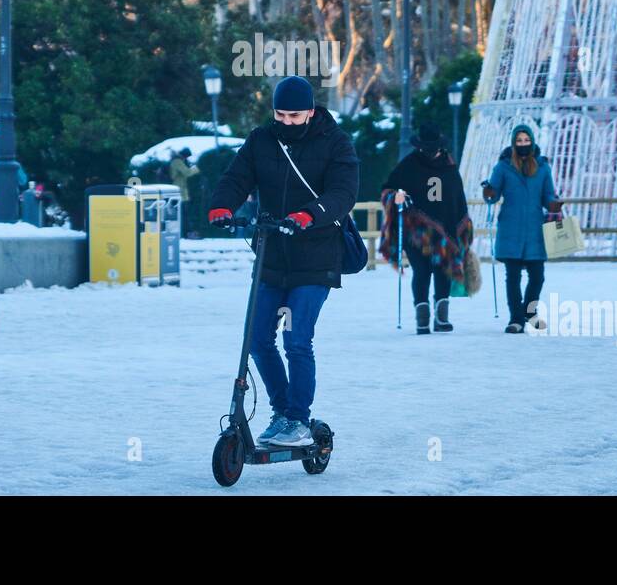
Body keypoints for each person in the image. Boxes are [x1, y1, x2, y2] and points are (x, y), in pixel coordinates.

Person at [207, 75, 358, 449]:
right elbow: (236, 177)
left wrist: (309, 215)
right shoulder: (262, 140)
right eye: (280, 114)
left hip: (316, 259)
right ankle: (282, 412)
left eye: (294, 115)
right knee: (258, 339)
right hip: (273, 259)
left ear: (310, 111)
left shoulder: (335, 143)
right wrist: (222, 205)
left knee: (296, 340)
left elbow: (343, 193)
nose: (287, 122)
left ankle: (299, 420)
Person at [377, 124, 472, 334]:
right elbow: (387, 188)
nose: (430, 152)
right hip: (416, 231)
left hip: (445, 229)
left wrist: (462, 226)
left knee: (443, 270)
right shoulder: (409, 164)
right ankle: (422, 317)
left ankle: (441, 317)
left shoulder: (449, 166)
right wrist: (395, 196)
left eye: (434, 148)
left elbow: (458, 197)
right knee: (421, 271)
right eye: (426, 148)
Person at [483, 124, 562, 333]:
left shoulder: (543, 168)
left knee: (537, 276)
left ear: (532, 141)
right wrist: (489, 192)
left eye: (526, 140)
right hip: (511, 228)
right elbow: (494, 195)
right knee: (513, 276)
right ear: (513, 143)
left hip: (535, 229)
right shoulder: (503, 167)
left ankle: (530, 311)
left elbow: (547, 195)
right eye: (519, 141)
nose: (523, 144)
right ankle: (516, 318)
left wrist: (553, 204)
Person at [168, 147, 200, 238]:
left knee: (183, 214)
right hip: (178, 192)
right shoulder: (177, 162)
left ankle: (185, 233)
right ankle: (186, 233)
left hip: (180, 192)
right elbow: (187, 172)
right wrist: (197, 168)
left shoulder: (177, 161)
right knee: (183, 215)